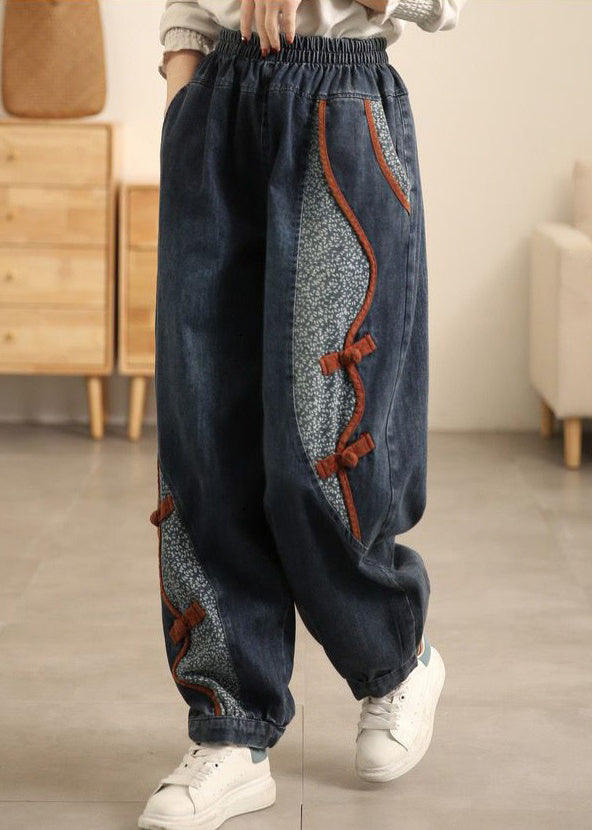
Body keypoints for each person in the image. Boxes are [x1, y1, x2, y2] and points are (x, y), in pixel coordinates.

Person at [140, 2, 468, 828]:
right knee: (204, 443)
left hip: (340, 104)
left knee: (324, 448)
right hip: (216, 105)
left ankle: (394, 658)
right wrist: (184, 101)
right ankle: (232, 728)